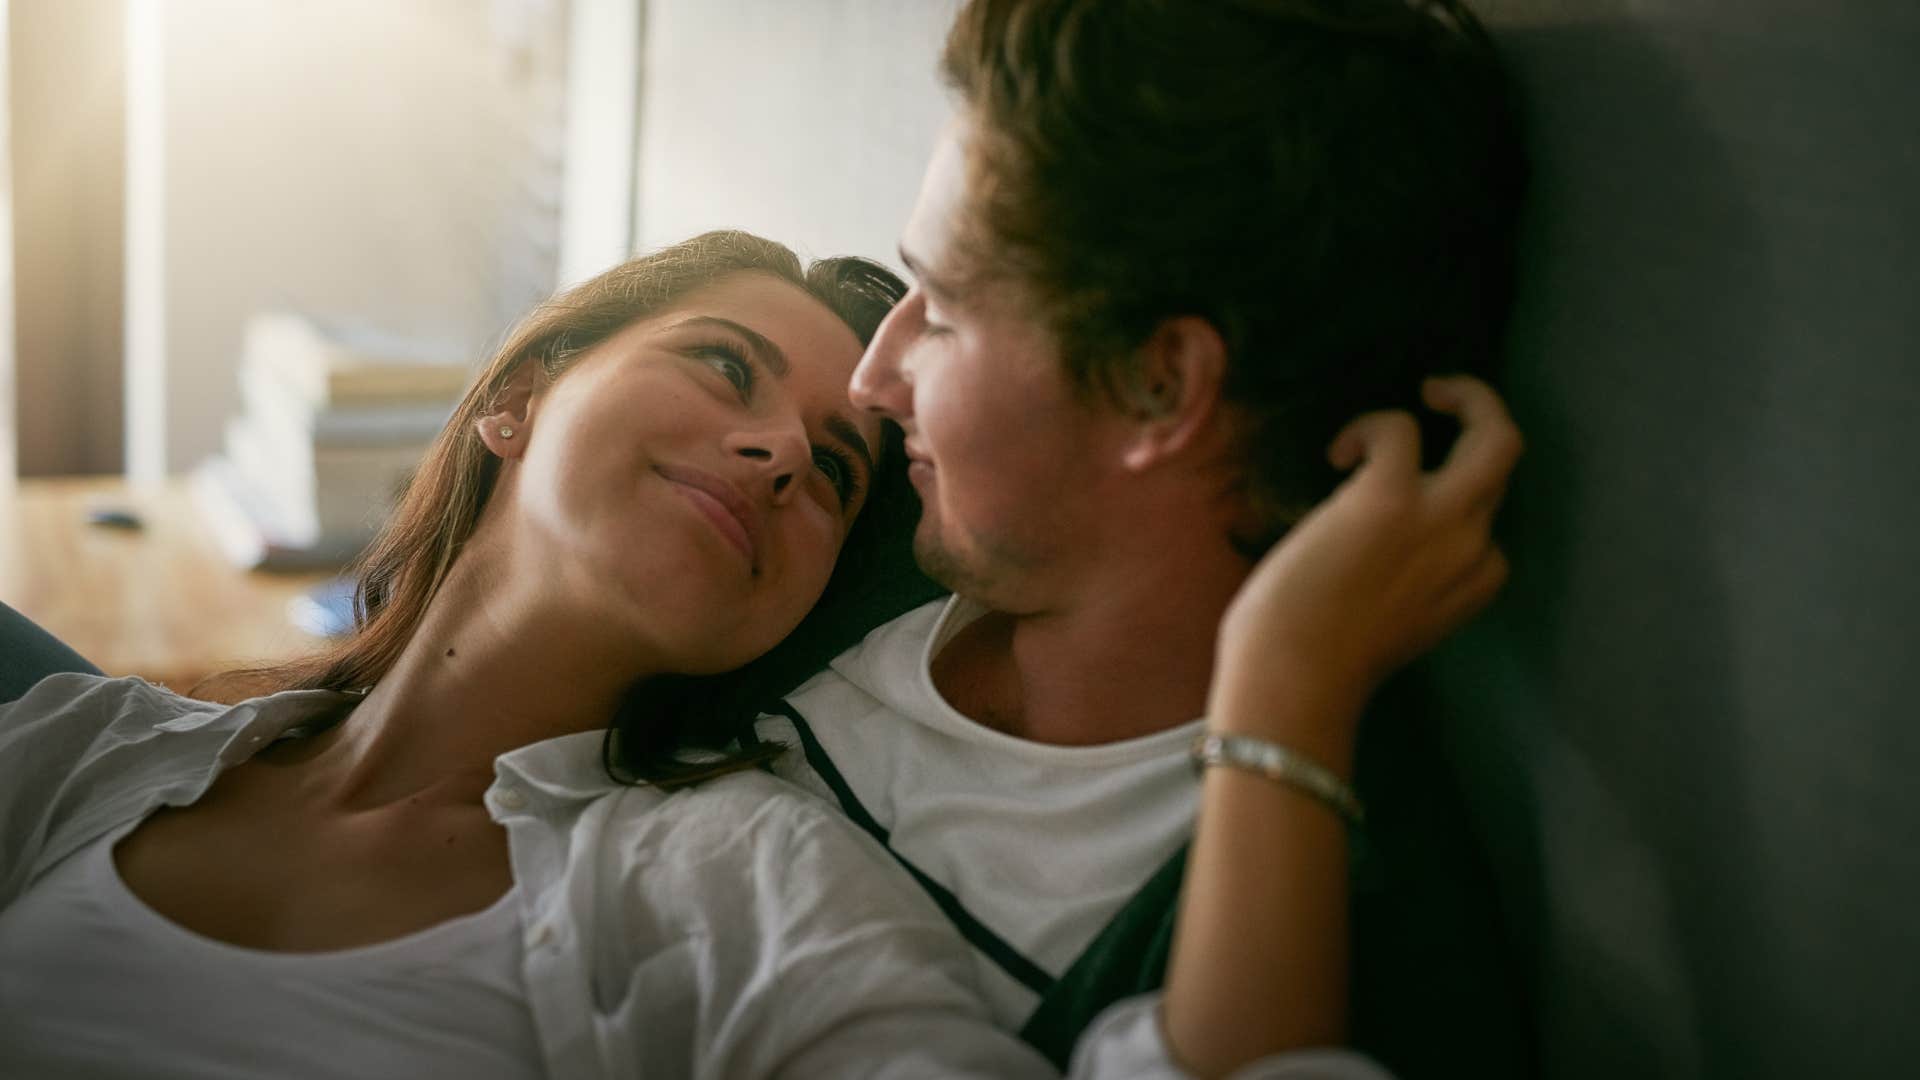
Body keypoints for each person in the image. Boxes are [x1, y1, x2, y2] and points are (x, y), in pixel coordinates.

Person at [0, 225, 1506, 1079]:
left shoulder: (727, 878)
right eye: (724, 369)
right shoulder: (86, 755)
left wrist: (1284, 686)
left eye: (840, 471)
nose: (782, 448)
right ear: (522, 392)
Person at [753, 0, 1531, 1074]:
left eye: (944, 310)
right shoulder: (821, 553)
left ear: (1159, 383)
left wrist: (1284, 692)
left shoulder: (1326, 933)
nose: (871, 381)